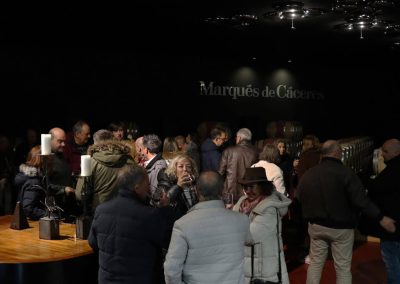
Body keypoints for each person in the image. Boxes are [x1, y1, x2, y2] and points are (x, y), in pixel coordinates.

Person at [298, 140, 396, 284]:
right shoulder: (346, 173)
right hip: (341, 229)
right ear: (338, 153)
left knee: (315, 263)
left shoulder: (310, 174)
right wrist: (381, 217)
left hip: (316, 227)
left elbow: (300, 196)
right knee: (342, 268)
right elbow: (361, 200)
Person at [164, 171, 251, 284]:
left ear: (196, 190)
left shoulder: (182, 224)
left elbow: (171, 269)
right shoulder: (242, 220)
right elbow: (251, 247)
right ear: (222, 190)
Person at [88, 164, 168, 284]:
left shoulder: (101, 209)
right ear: (137, 187)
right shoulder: (149, 215)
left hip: (107, 279)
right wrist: (165, 210)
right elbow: (165, 240)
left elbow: (92, 242)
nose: (149, 188)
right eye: (147, 184)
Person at [233, 167, 292, 284]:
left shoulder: (269, 209)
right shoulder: (242, 203)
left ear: (262, 186)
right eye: (245, 187)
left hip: (262, 273)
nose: (248, 191)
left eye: (252, 187)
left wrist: (229, 228)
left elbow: (249, 237)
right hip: (246, 270)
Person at [75, 129, 135, 214]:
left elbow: (80, 194)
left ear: (95, 142)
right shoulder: (129, 160)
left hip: (100, 212)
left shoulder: (91, 162)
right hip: (125, 211)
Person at [367, 138, 400, 284]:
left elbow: (375, 190)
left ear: (396, 152)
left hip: (391, 227)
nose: (382, 155)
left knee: (392, 263)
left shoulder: (390, 172)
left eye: (385, 152)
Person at [219, 128, 259, 203]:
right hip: (248, 192)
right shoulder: (256, 152)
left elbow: (220, 173)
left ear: (239, 138)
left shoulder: (228, 151)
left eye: (236, 137)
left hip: (229, 193)